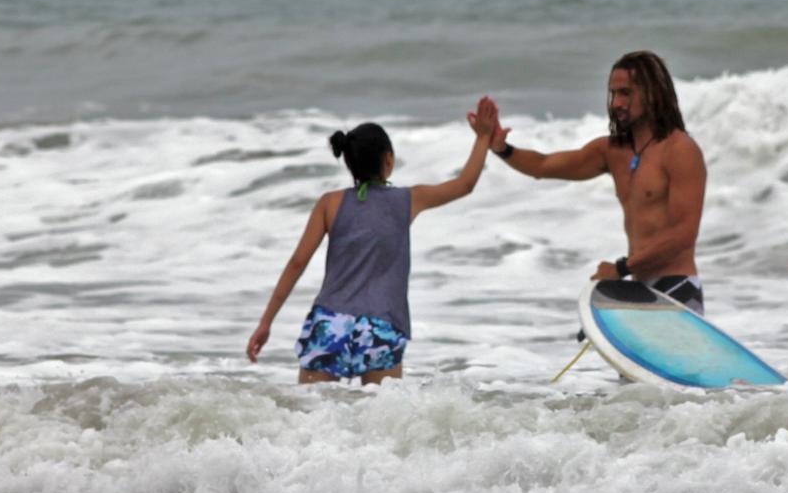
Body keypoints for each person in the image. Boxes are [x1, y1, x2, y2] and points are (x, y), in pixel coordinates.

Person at [246, 97, 499, 384]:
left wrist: (265, 323)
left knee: (310, 414)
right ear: (388, 160)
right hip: (382, 325)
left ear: (349, 163)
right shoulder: (408, 200)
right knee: (378, 422)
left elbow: (297, 263)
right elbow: (465, 184)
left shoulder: (330, 204)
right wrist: (482, 138)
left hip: (330, 322)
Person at [489, 50, 707, 315]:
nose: (616, 103)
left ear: (652, 93)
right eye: (613, 94)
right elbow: (542, 166)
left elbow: (683, 236)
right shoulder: (611, 151)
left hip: (677, 287)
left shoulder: (680, 150)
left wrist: (621, 269)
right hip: (638, 288)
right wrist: (502, 148)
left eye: (625, 93)